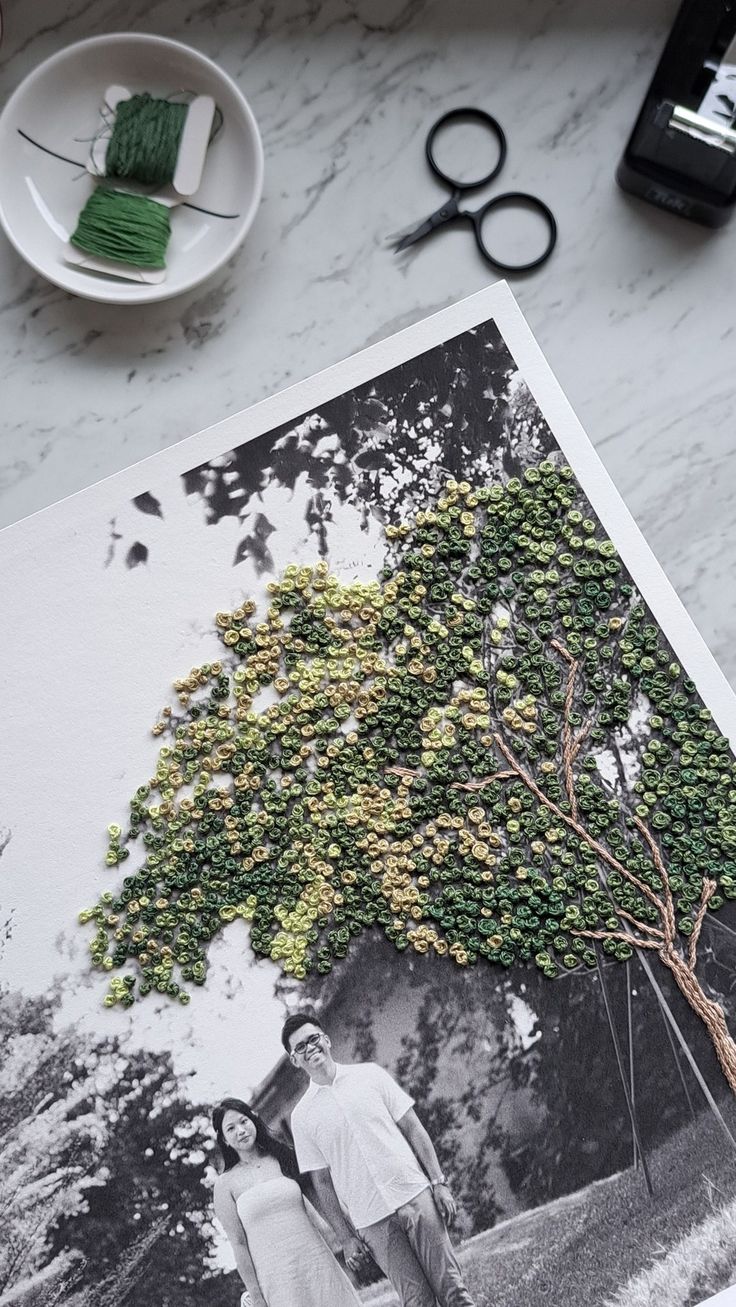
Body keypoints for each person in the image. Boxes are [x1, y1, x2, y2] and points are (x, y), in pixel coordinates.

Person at [284, 1013, 477, 1307]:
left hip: (415, 1194)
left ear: (326, 1039)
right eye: (300, 1047)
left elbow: (413, 1127)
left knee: (453, 1291)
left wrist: (439, 1182)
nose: (309, 1048)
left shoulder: (369, 1075)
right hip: (372, 1219)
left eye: (313, 1039)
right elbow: (321, 1181)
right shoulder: (302, 1117)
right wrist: (346, 1238)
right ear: (294, 1060)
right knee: (417, 1302)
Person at [211, 1097, 362, 1307]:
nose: (241, 1130)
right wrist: (256, 1296)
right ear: (225, 1139)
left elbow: (320, 1200)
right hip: (275, 1279)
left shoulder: (283, 1156)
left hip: (316, 1262)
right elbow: (238, 1243)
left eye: (243, 1121)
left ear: (253, 1120)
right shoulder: (224, 1186)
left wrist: (346, 1239)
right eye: (231, 1128)